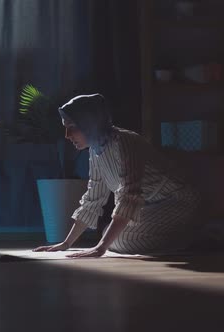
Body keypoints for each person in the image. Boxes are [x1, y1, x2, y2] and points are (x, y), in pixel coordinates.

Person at [32, 93, 202, 258]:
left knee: (119, 239)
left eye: (73, 128)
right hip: (150, 207)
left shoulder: (125, 142)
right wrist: (66, 244)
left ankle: (194, 234)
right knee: (110, 235)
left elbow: (130, 195)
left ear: (89, 124)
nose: (67, 136)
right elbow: (94, 198)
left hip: (178, 202)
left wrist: (100, 248)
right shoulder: (95, 149)